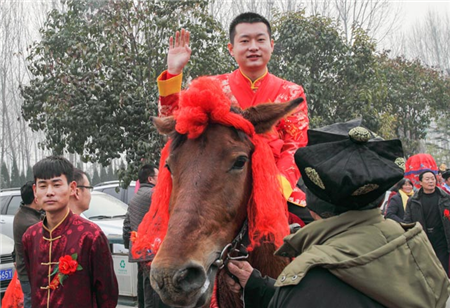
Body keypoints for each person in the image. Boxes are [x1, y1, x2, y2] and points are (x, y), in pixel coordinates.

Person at [225, 122, 450, 308]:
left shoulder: (309, 277)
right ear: (380, 199)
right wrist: (257, 286)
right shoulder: (414, 244)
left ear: (312, 205)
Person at [156, 12, 310, 220]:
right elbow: (178, 123)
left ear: (271, 45)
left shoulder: (292, 92)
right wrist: (174, 72)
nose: (253, 47)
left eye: (260, 40)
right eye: (245, 41)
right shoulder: (213, 88)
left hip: (276, 186)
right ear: (231, 49)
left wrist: (276, 187)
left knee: (311, 232)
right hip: (217, 187)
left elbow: (295, 145)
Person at [22, 156, 118, 308]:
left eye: (56, 185)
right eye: (43, 186)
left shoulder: (90, 235)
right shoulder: (30, 236)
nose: (49, 192)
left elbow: (107, 294)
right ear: (35, 191)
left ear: (72, 188)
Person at [122, 164, 163, 308]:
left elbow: (127, 226)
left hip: (140, 251)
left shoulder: (134, 199)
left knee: (144, 286)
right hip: (155, 251)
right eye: (159, 176)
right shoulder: (156, 194)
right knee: (156, 290)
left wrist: (129, 246)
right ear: (151, 179)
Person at [404, 170, 450, 276]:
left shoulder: (445, 198)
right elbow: (407, 221)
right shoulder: (413, 200)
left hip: (441, 238)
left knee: (442, 269)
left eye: (433, 179)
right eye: (427, 179)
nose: (431, 181)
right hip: (423, 238)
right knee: (426, 270)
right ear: (420, 182)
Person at [12, 181, 43, 308]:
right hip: (30, 273)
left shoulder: (24, 213)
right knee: (32, 303)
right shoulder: (30, 223)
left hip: (26, 271)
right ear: (35, 198)